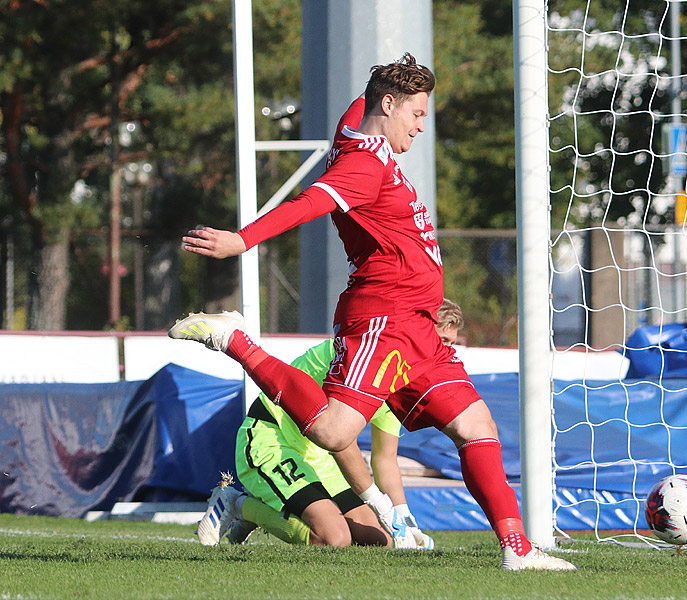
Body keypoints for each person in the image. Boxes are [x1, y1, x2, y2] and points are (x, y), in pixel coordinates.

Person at [170, 53, 575, 571]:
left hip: (421, 325)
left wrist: (400, 76)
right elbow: (309, 204)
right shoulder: (361, 164)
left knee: (478, 427)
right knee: (335, 434)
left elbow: (361, 104)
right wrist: (242, 240)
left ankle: (517, 552)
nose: (420, 126)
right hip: (384, 318)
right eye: (417, 114)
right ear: (388, 106)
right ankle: (236, 341)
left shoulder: (358, 132)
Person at [196, 301, 464, 549]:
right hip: (271, 439)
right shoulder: (357, 356)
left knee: (381, 540)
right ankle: (237, 504)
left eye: (450, 345)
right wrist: (383, 508)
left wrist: (404, 521)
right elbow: (339, 442)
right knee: (333, 538)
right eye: (441, 341)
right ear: (421, 333)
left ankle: (264, 509)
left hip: (320, 456)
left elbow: (385, 459)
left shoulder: (400, 376)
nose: (445, 352)